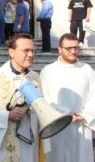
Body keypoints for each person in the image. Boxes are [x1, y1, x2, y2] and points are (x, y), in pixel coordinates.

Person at [0, 33, 42, 162]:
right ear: (11, 52)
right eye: (26, 51)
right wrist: (7, 116)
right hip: (2, 149)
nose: (31, 55)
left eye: (33, 50)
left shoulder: (36, 78)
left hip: (28, 146)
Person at [40, 33, 95, 162]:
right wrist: (65, 113)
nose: (73, 51)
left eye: (76, 48)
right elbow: (44, 98)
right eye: (69, 48)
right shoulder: (48, 71)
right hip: (57, 126)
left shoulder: (87, 70)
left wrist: (85, 114)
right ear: (60, 49)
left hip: (82, 125)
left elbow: (94, 95)